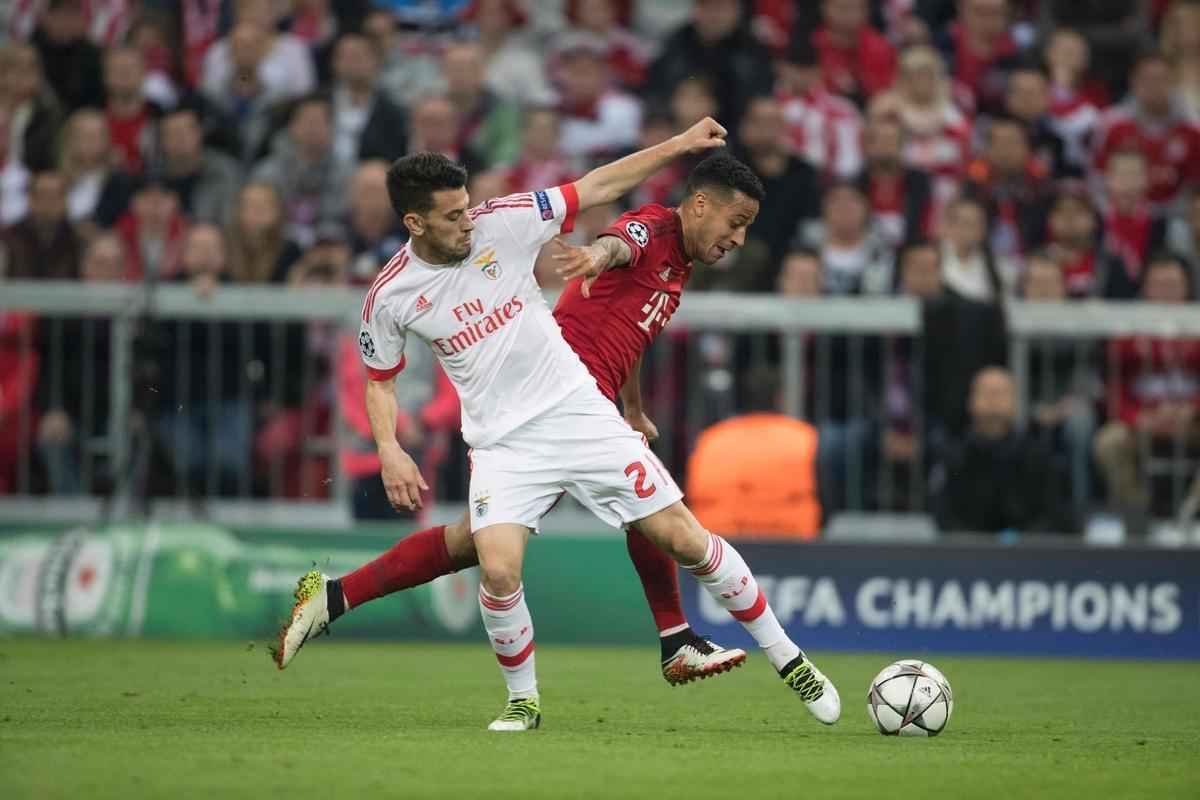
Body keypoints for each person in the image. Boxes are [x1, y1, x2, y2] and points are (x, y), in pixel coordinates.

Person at [274, 125, 841, 731]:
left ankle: (790, 660)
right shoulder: (390, 295)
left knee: (683, 537)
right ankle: (525, 701)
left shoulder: (506, 221)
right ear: (415, 223)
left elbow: (598, 188)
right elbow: (379, 380)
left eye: (468, 207)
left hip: (575, 408)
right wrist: (387, 447)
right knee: (493, 563)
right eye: (454, 215)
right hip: (501, 440)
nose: (471, 221)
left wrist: (678, 147)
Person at [1093, 254, 1200, 533]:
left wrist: (1192, 411)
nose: (1166, 292)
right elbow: (1113, 389)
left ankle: (1192, 515)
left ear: (1187, 287)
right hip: (1141, 423)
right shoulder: (1126, 330)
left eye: (1173, 285)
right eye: (1158, 285)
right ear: (1145, 288)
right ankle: (1139, 521)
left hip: (1192, 423)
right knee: (1110, 442)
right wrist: (1138, 418)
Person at [932, 367, 1060, 534]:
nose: (993, 399)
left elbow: (1052, 514)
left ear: (1015, 401)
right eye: (986, 392)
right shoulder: (953, 456)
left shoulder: (1037, 455)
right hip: (966, 553)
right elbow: (943, 515)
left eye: (1000, 393)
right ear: (970, 401)